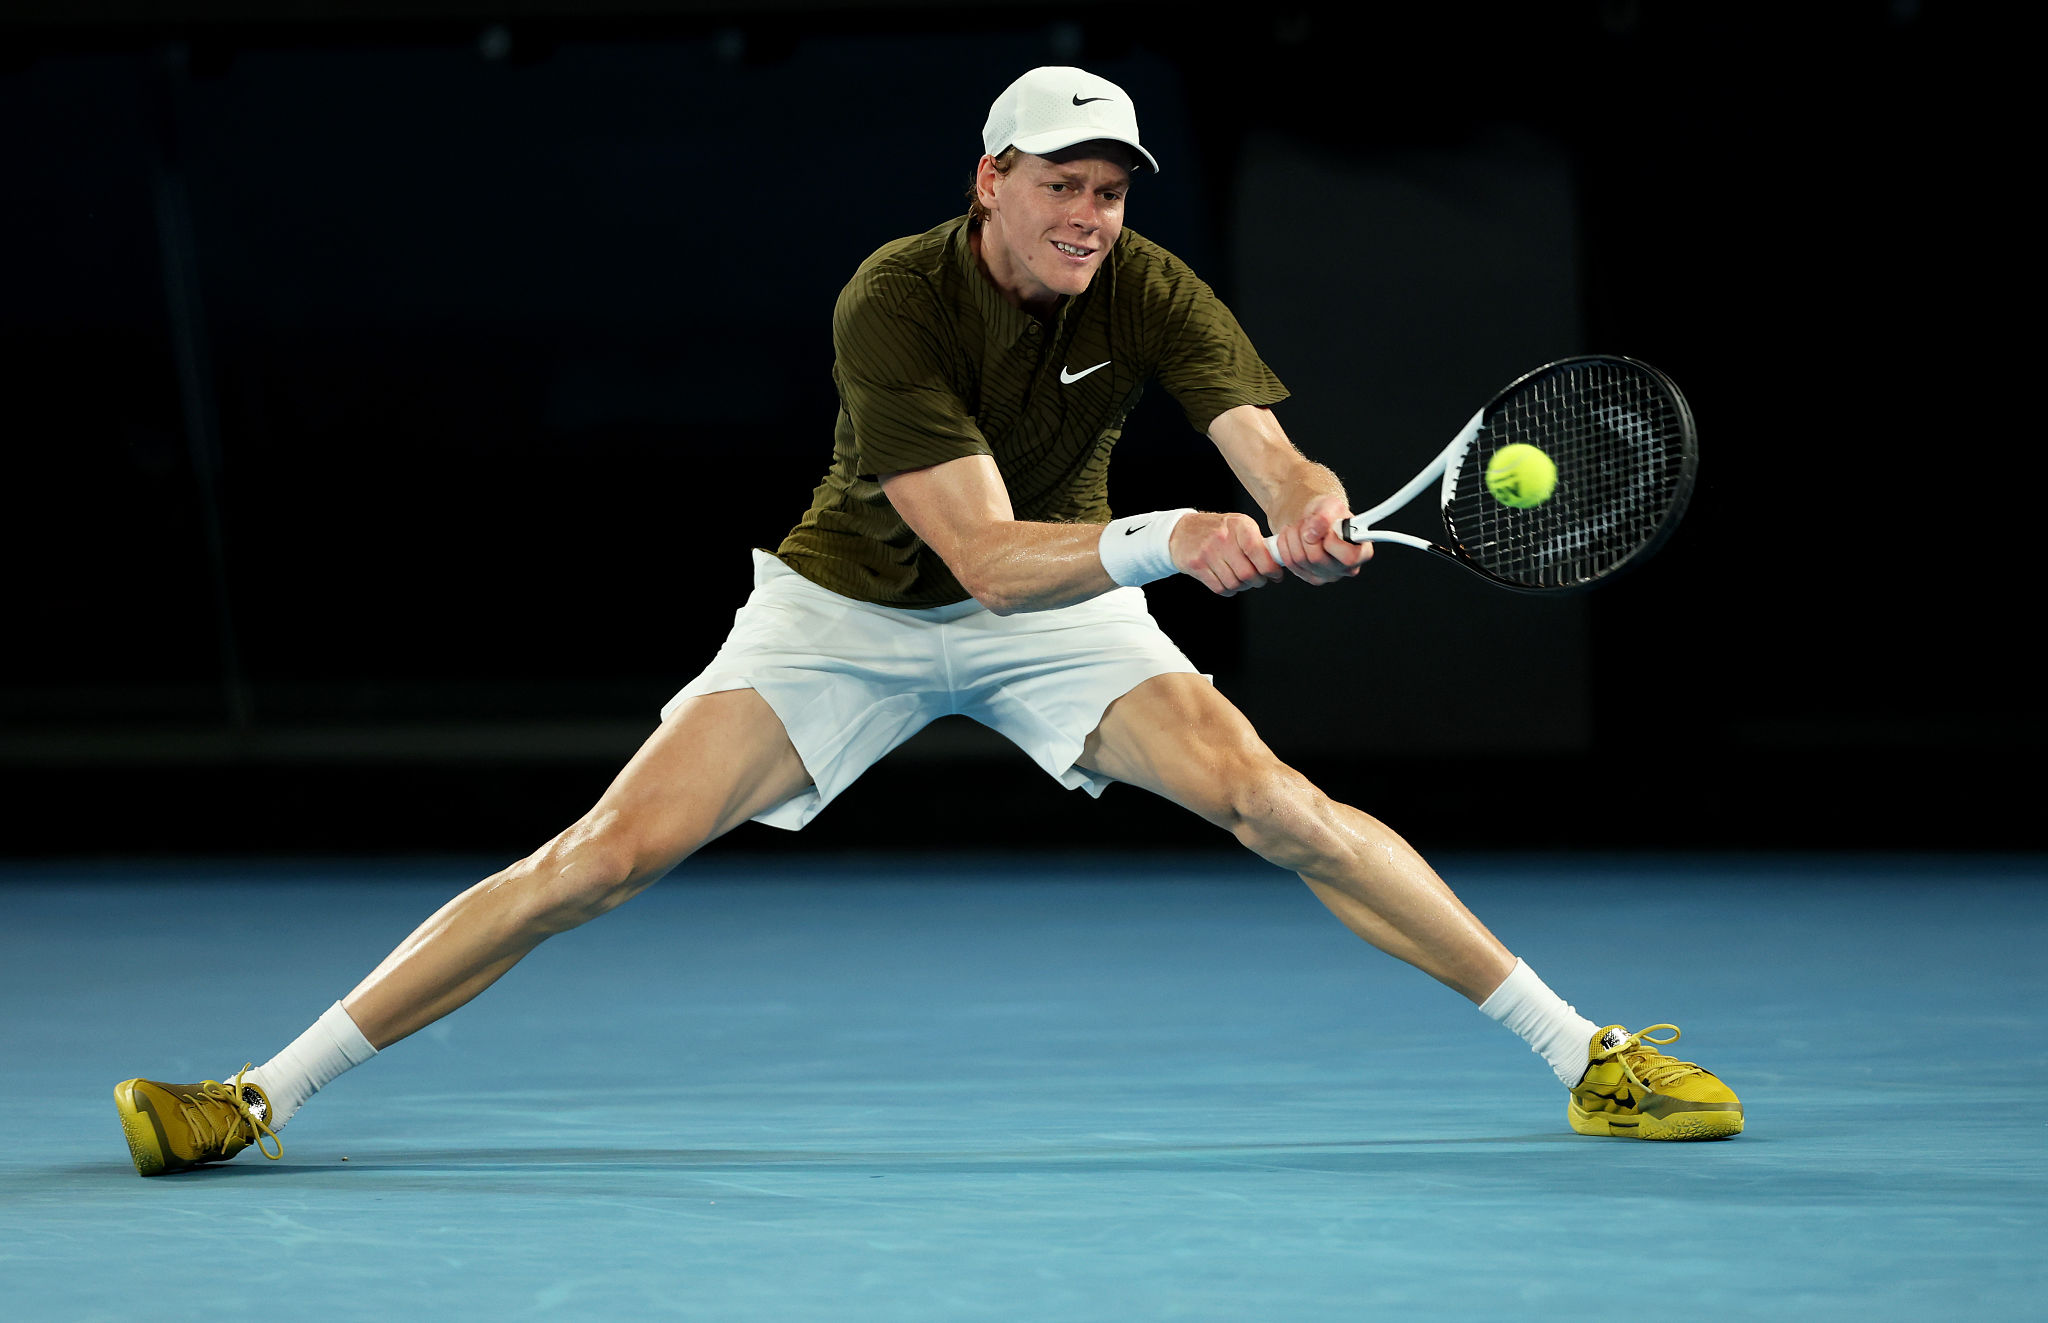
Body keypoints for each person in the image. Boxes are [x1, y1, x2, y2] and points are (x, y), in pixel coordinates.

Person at [111, 66, 1740, 1178]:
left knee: (1278, 807)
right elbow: (979, 558)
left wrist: (1306, 512)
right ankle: (258, 1098)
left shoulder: (1150, 285)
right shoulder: (895, 299)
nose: (1089, 215)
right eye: (1061, 187)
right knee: (594, 862)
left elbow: (1267, 446)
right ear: (991, 181)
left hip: (1068, 615)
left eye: (1109, 189)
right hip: (849, 615)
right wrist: (1173, 539)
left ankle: (1584, 1055)